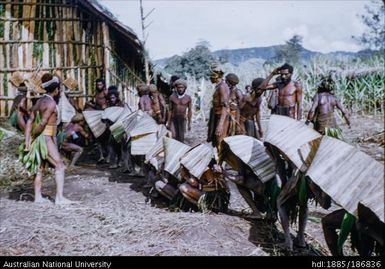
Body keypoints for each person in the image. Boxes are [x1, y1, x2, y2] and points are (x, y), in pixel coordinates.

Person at [24, 73, 74, 204]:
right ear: (56, 90)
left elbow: (30, 121)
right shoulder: (51, 104)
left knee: (40, 167)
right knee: (60, 165)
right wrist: (34, 136)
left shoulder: (39, 101)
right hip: (45, 137)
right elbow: (42, 123)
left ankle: (38, 197)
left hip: (41, 138)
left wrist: (27, 141)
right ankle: (59, 198)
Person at [207, 65, 230, 148]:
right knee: (217, 140)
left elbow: (225, 106)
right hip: (217, 115)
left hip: (222, 116)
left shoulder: (222, 87)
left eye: (211, 77)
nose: (210, 78)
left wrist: (220, 125)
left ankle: (221, 160)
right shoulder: (219, 86)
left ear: (216, 77)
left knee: (220, 139)